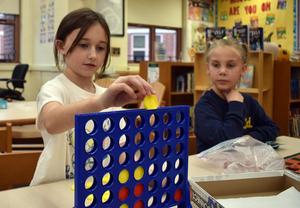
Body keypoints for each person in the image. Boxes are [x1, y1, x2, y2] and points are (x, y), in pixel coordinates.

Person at [30, 8, 155, 185]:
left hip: (94, 190)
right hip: (52, 190)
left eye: (101, 48)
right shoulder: (54, 89)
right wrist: (102, 103)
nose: (93, 55)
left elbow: (121, 151)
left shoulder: (106, 97)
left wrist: (144, 130)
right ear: (61, 46)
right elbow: (52, 122)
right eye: (83, 45)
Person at [194, 39, 279, 153]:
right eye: (216, 65)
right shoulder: (204, 106)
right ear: (208, 69)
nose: (222, 71)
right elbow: (226, 142)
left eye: (230, 65)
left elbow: (272, 128)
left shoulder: (248, 101)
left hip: (243, 165)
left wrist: (248, 139)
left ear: (243, 70)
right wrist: (235, 105)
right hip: (213, 168)